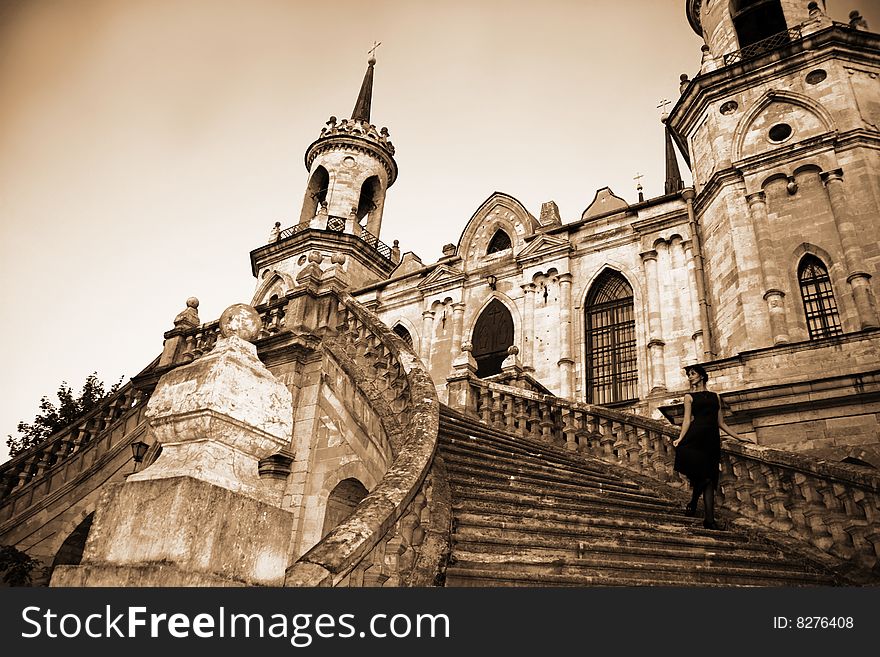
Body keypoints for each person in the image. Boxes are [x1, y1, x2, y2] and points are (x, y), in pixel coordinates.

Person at [672, 364, 743, 530]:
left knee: (710, 478)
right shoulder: (688, 397)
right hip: (694, 438)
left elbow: (721, 423)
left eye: (692, 373)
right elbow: (687, 420)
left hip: (711, 440)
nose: (690, 377)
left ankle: (708, 520)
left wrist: (739, 437)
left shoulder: (715, 397)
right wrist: (680, 438)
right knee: (703, 477)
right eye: (688, 374)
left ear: (702, 376)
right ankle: (697, 504)